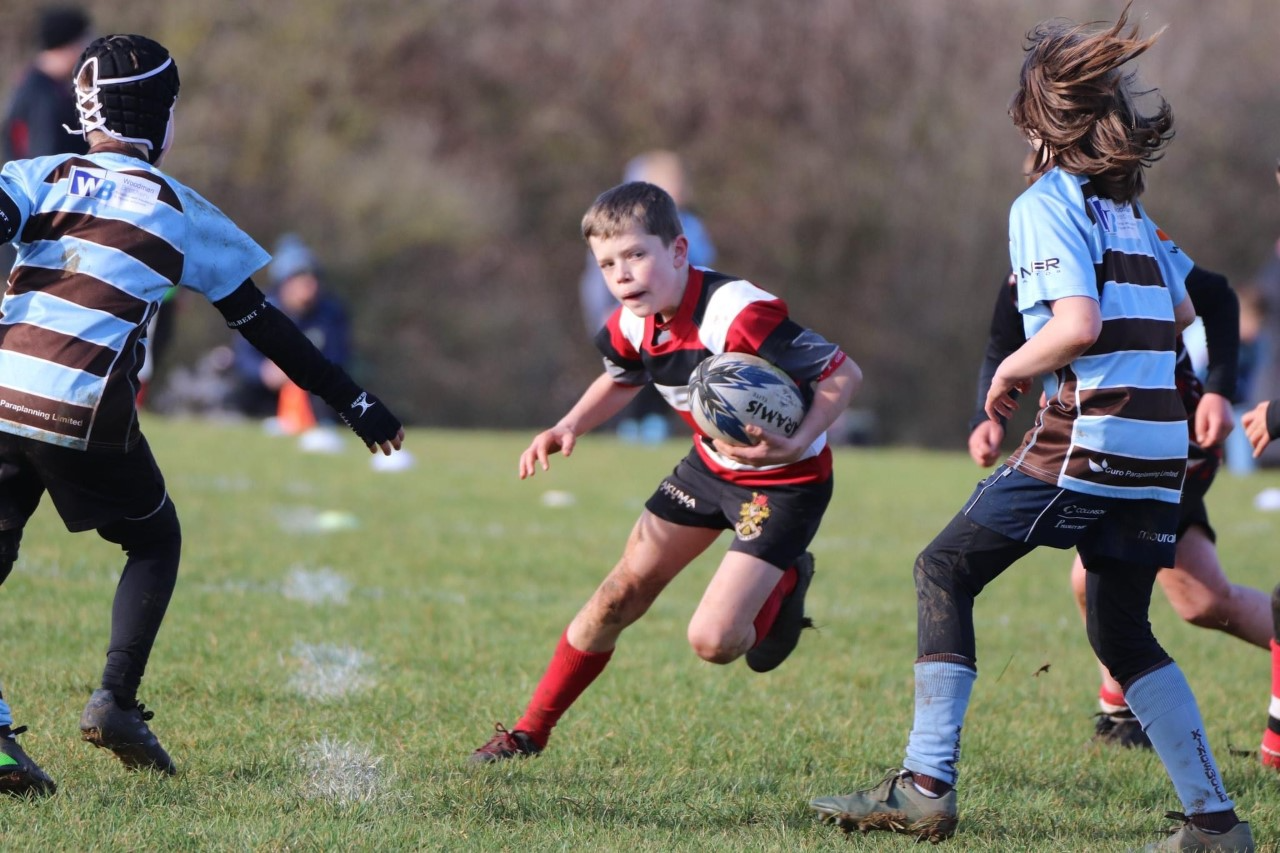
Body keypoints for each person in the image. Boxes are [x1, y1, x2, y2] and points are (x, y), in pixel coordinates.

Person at [811, 8, 1253, 849]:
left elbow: (1077, 323)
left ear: (1037, 121)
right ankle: (1215, 823)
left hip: (1097, 433)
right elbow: (1189, 307)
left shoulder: (1045, 202)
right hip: (1162, 446)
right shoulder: (1129, 211)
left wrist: (1012, 371)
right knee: (1122, 628)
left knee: (944, 567)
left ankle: (925, 784)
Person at [0, 34, 404, 796]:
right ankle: (115, 702)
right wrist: (354, 399)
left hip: (2, 390)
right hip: (82, 408)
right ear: (164, 118)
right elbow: (267, 324)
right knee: (154, 538)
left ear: (85, 113)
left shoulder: (34, 175)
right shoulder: (180, 211)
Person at [470, 181, 860, 762]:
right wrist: (570, 423)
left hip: (784, 482)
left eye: (636, 255)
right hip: (707, 470)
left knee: (714, 642)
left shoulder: (739, 314)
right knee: (615, 597)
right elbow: (623, 375)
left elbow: (842, 373)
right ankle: (528, 733)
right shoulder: (631, 321)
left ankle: (785, 579)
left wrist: (797, 441)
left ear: (678, 251)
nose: (622, 275)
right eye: (607, 264)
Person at [969, 262, 1271, 749]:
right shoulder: (1029, 261)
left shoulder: (1134, 245)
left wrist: (1218, 390)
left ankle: (1124, 716)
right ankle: (1124, 713)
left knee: (1095, 573)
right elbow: (1001, 344)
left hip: (1172, 437)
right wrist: (984, 419)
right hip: (1100, 443)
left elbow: (1216, 295)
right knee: (1203, 600)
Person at [578, 150, 716, 443]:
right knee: (632, 371)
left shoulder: (691, 226)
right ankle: (630, 424)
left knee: (669, 371)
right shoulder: (621, 230)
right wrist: (602, 311)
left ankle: (656, 422)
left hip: (679, 315)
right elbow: (597, 278)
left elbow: (703, 264)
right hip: (635, 315)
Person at [230, 233, 352, 429]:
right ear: (284, 283)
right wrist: (264, 372)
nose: (309, 286)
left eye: (313, 279)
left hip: (312, 394)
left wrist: (301, 370)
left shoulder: (330, 314)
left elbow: (338, 357)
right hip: (265, 392)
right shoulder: (260, 310)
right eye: (301, 279)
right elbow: (243, 358)